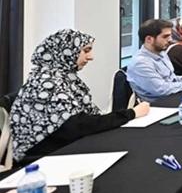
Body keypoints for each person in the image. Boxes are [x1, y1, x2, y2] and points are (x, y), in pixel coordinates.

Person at [10, 29, 150, 162]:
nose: (90, 57)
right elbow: (80, 125)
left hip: (65, 146)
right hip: (45, 158)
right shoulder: (47, 82)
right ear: (65, 51)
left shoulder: (62, 77)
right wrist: (131, 113)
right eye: (86, 50)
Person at [127, 19, 182, 102]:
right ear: (149, 39)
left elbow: (172, 78)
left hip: (172, 98)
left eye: (170, 35)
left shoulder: (161, 53)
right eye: (165, 36)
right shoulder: (140, 63)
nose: (170, 39)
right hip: (157, 105)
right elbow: (162, 89)